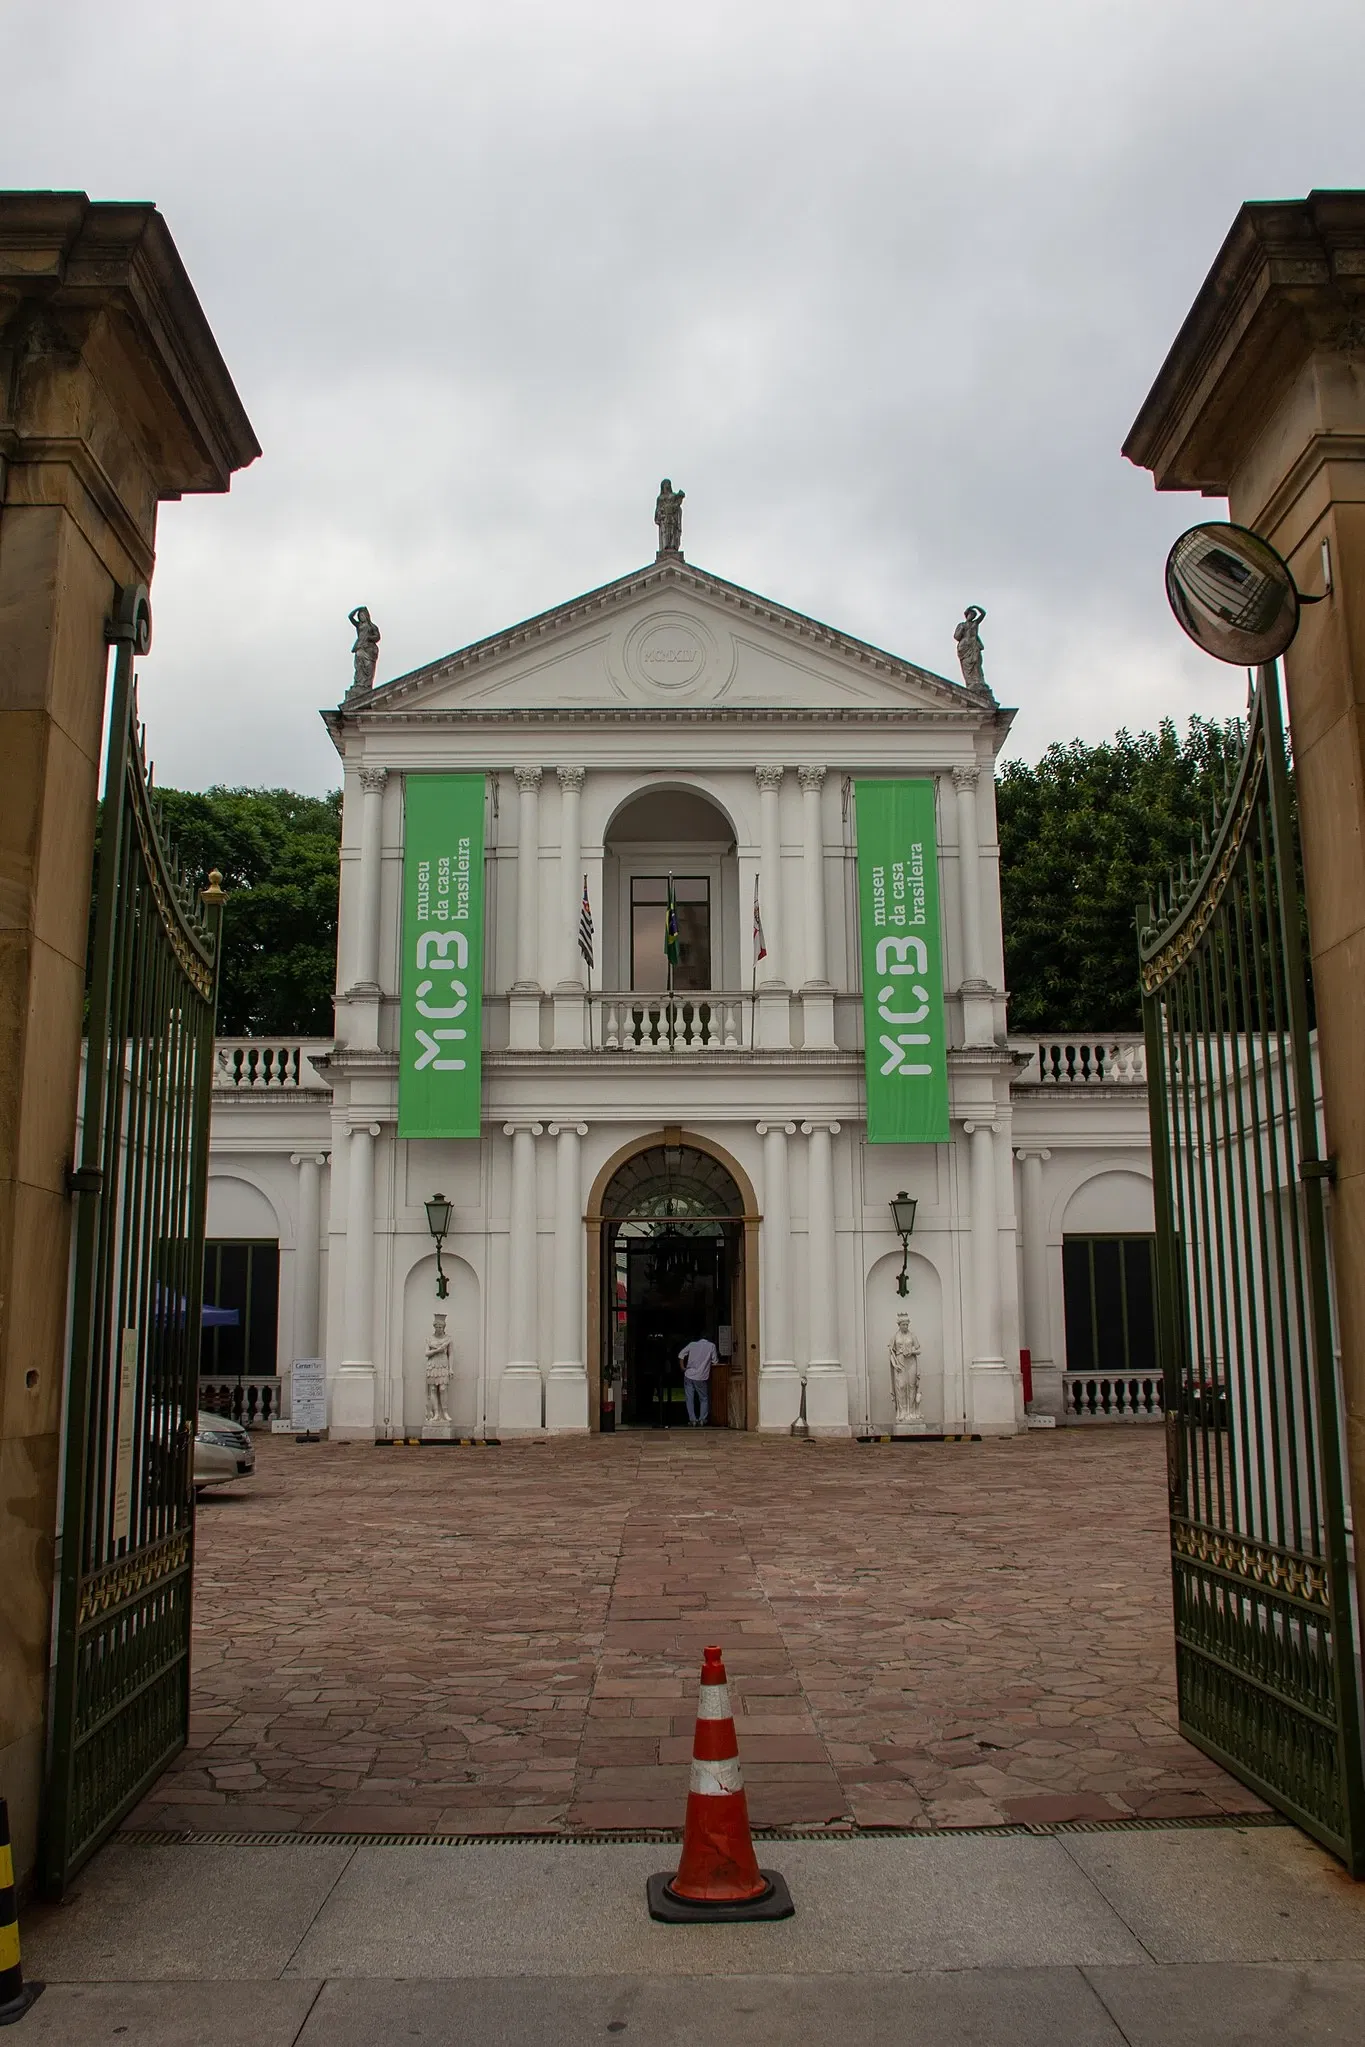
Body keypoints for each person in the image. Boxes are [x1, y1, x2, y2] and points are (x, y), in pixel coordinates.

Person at [678, 1328, 718, 1427]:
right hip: (701, 1376)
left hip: (689, 1374)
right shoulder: (711, 1346)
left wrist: (683, 1367)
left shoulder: (692, 1344)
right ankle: (702, 1419)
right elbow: (715, 1361)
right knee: (703, 1398)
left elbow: (681, 1354)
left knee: (689, 1398)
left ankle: (692, 1420)